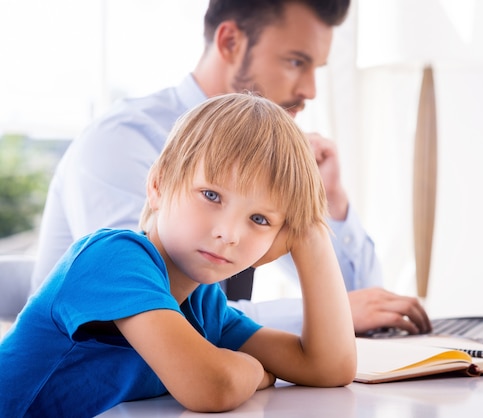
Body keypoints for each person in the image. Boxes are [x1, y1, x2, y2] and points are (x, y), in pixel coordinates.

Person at [31, 0, 431, 335]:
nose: (310, 90)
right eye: (296, 62)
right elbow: (152, 311)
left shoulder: (272, 161)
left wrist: (329, 206)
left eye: (315, 70)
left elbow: (368, 304)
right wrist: (324, 316)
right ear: (231, 42)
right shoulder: (123, 141)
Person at [0, 93, 357, 416]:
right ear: (157, 186)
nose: (228, 234)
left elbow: (328, 367)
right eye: (211, 196)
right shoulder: (113, 259)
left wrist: (310, 234)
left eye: (260, 219)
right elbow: (213, 387)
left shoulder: (204, 305)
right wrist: (254, 370)